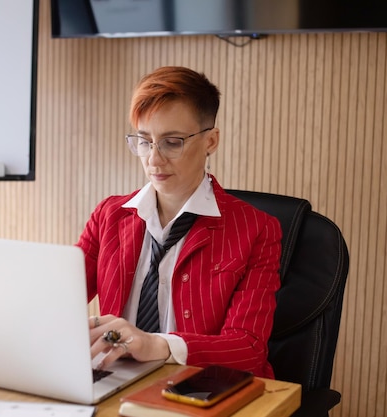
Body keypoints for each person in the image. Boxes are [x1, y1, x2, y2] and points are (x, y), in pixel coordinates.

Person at [77, 66, 282, 378]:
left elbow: (248, 349)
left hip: (200, 388)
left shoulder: (256, 230)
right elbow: (56, 300)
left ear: (211, 141)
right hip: (117, 381)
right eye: (144, 141)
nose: (154, 159)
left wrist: (157, 345)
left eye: (172, 142)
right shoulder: (110, 214)